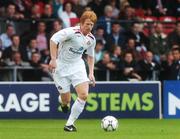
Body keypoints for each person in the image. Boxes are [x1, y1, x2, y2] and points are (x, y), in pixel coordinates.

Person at [49, 11, 97, 132]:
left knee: (84, 95)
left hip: (77, 66)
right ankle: (63, 102)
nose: (89, 27)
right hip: (61, 67)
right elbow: (53, 39)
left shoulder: (91, 39)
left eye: (92, 24)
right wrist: (53, 59)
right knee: (66, 100)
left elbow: (90, 56)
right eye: (87, 24)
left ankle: (69, 124)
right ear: (81, 23)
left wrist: (91, 73)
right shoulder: (71, 32)